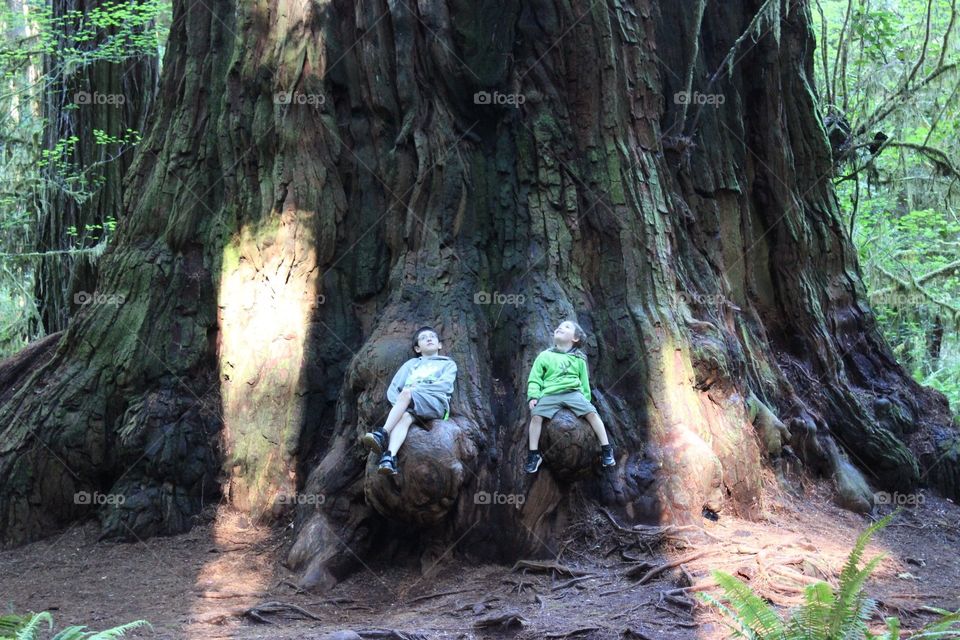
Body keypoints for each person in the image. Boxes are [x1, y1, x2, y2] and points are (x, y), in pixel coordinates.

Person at [360, 326, 457, 475]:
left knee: (406, 392)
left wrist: (414, 391)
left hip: (435, 404)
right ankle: (389, 458)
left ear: (439, 345)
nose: (429, 339)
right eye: (423, 338)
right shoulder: (411, 365)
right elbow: (393, 390)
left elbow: (444, 386)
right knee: (405, 417)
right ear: (418, 348)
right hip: (412, 405)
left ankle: (382, 433)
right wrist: (400, 406)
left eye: (432, 336)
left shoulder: (447, 364)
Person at [524, 320, 615, 473]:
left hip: (573, 393)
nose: (560, 327)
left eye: (566, 327)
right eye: (559, 326)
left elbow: (584, 381)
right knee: (536, 416)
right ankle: (534, 454)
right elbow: (535, 378)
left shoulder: (579, 359)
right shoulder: (545, 356)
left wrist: (585, 400)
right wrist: (533, 396)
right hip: (549, 394)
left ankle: (606, 448)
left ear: (575, 339)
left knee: (592, 413)